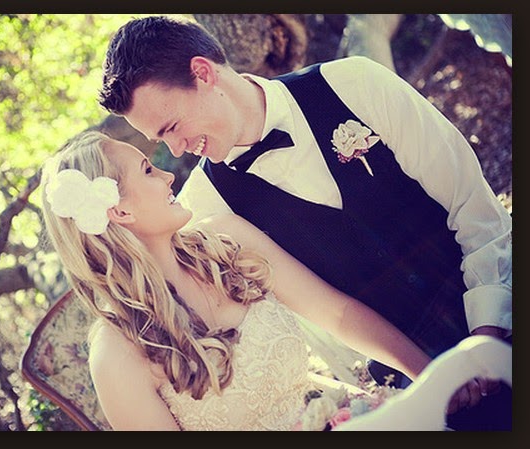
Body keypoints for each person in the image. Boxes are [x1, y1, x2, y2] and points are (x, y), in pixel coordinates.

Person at [98, 15, 512, 430]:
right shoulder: (204, 210)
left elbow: (474, 210)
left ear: (203, 73)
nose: (176, 150)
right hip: (416, 396)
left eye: (172, 127)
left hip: (502, 307)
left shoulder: (356, 85)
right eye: (161, 140)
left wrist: (488, 332)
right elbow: (324, 327)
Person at [39, 130, 439, 431]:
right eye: (147, 170)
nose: (167, 176)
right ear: (120, 212)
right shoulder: (116, 355)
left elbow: (338, 313)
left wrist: (430, 376)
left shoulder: (227, 240)